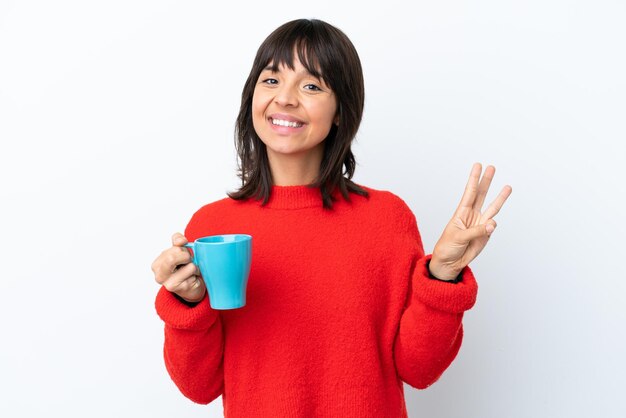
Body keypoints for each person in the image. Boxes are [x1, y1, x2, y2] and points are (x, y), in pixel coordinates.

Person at [151, 18, 512, 418]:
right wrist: (187, 303)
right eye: (271, 80)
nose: (285, 99)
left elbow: (420, 369)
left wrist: (443, 275)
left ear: (341, 110)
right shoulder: (212, 230)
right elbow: (200, 388)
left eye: (311, 86)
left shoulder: (387, 219)